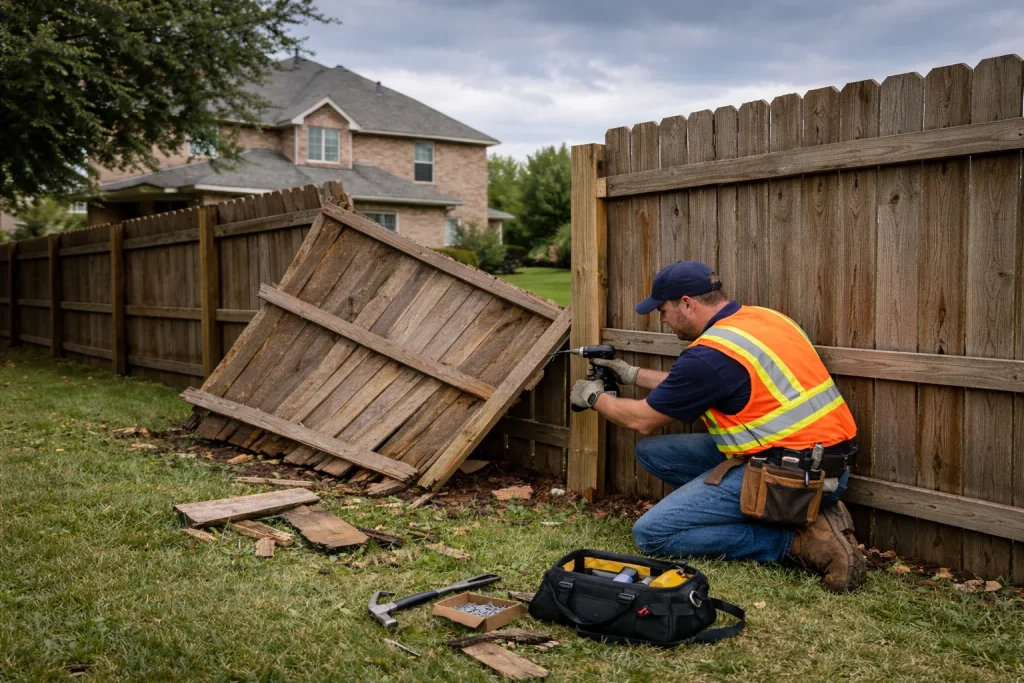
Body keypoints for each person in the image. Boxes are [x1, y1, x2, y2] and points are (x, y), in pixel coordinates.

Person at [569, 261, 866, 592]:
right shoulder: (763, 319)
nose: (662, 320)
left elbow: (642, 419)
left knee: (652, 534)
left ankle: (794, 542)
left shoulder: (710, 354)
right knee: (655, 454)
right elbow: (697, 383)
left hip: (792, 476)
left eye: (663, 310)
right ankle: (796, 513)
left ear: (687, 303)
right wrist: (631, 374)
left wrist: (594, 398)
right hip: (821, 462)